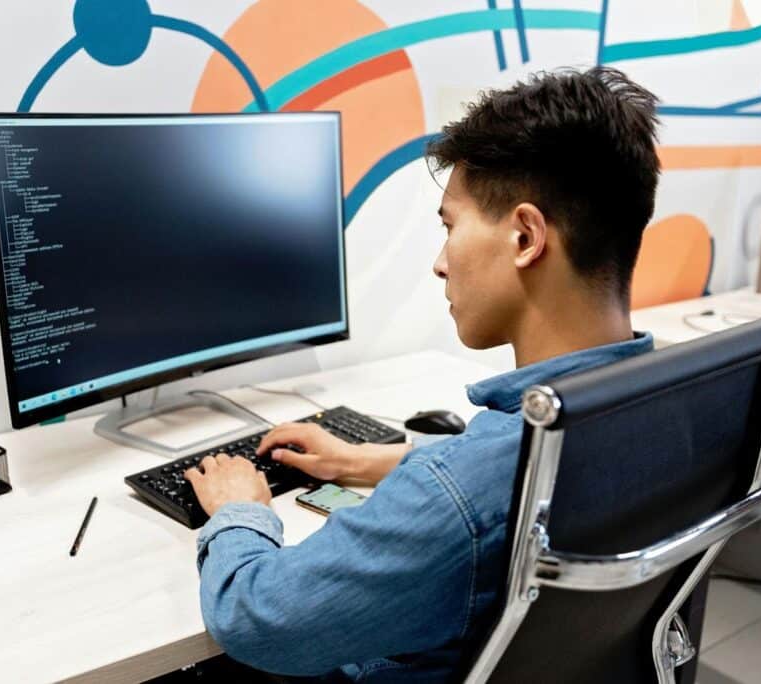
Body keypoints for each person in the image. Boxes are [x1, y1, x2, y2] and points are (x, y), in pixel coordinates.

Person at [182, 66, 661, 682]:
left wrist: (237, 511)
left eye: (449, 226)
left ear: (524, 237)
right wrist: (365, 462)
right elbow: (510, 487)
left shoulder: (461, 489)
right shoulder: (671, 402)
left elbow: (257, 617)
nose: (440, 264)